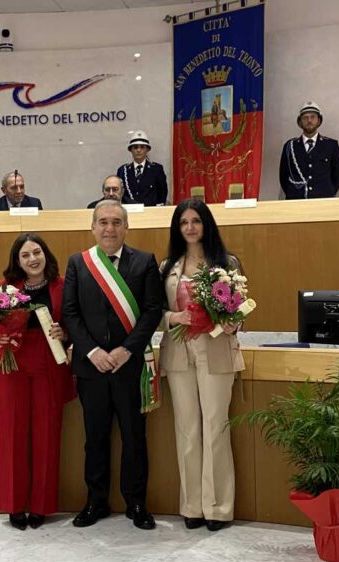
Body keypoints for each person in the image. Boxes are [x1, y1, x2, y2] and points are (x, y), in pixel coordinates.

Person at [62, 200, 163, 530]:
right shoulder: (79, 263)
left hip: (129, 366)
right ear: (92, 227)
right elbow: (71, 314)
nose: (109, 228)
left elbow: (151, 312)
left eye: (116, 222)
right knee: (95, 437)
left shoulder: (145, 262)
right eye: (103, 222)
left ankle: (136, 502)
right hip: (91, 368)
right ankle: (96, 501)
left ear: (126, 227)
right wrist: (92, 352)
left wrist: (125, 351)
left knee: (135, 437)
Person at [158, 198, 246, 532]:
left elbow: (241, 308)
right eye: (184, 222)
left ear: (206, 224)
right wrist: (173, 317)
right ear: (177, 228)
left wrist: (230, 321)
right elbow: (155, 313)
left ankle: (218, 508)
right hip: (180, 351)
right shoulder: (168, 266)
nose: (190, 227)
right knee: (188, 430)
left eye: (196, 220)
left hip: (217, 349)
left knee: (215, 427)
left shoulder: (227, 262)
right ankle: (192, 506)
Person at [0, 233, 75, 530]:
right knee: (12, 432)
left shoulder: (63, 287)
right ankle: (14, 505)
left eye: (36, 252)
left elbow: (73, 322)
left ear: (46, 255)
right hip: (13, 361)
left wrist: (66, 334)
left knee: (47, 433)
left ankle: (41, 505)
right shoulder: (4, 290)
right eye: (25, 255)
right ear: (17, 261)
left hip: (48, 362)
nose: (32, 259)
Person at [279, 101, 339, 199]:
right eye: (305, 117)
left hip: (323, 203)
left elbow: (337, 177)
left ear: (319, 120)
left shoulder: (331, 146)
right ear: (300, 121)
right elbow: (284, 177)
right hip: (296, 204)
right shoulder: (289, 146)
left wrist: (327, 193)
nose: (309, 120)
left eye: (313, 117)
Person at [116, 131, 168, 206]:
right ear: (130, 150)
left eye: (142, 147)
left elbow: (162, 193)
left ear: (147, 149)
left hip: (151, 212)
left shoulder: (157, 169)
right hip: (129, 213)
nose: (138, 150)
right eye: (135, 147)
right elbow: (120, 194)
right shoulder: (122, 171)